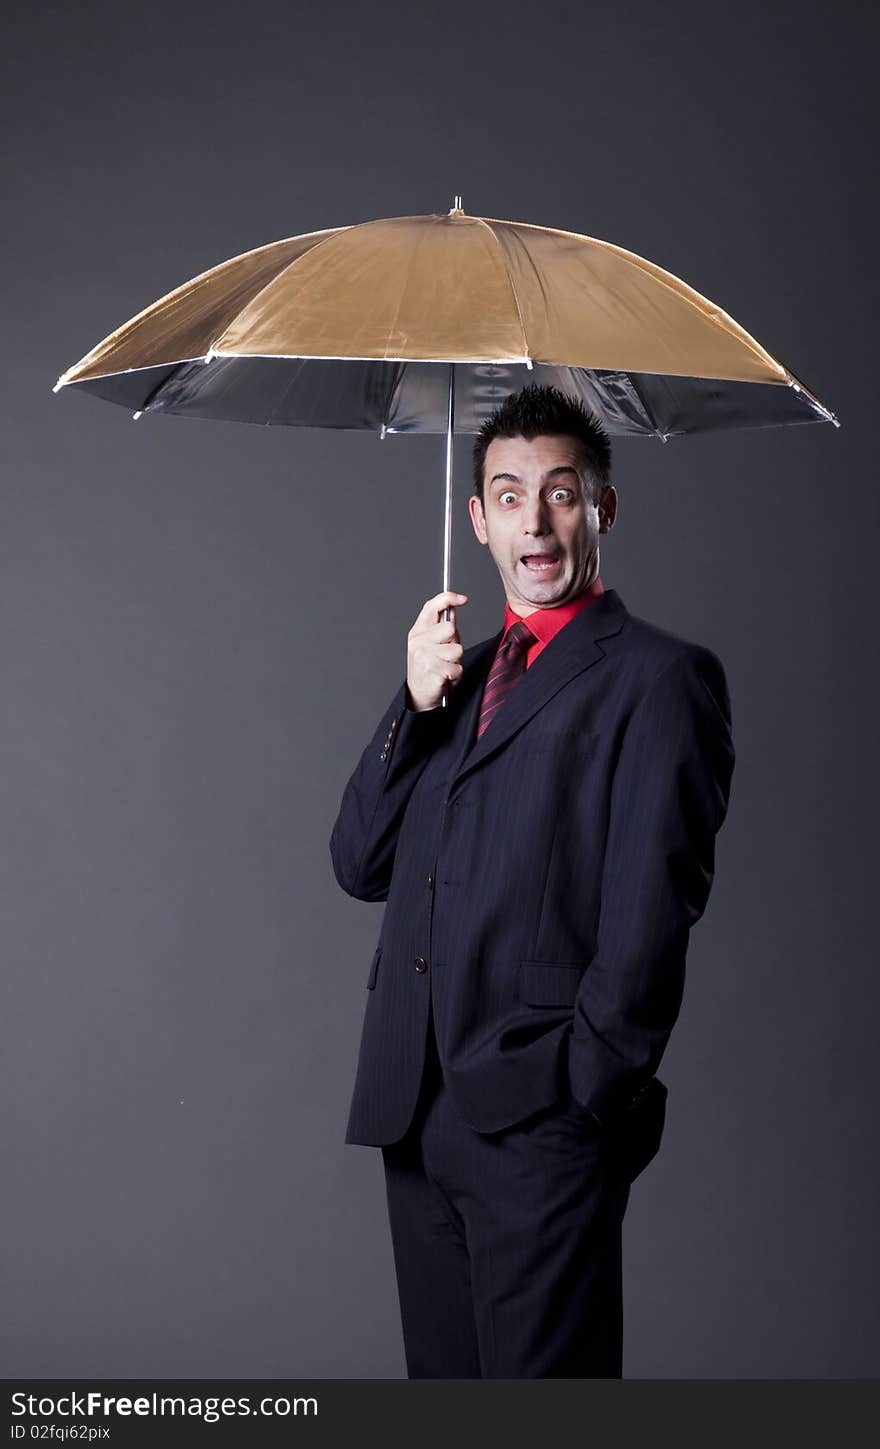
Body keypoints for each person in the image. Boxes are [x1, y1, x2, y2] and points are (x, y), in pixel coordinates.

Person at [329, 383, 735, 1378]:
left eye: (562, 493)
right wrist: (412, 703)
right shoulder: (450, 679)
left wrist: (581, 1102)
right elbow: (358, 864)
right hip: (415, 1118)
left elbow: (650, 915)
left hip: (542, 1121)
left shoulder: (658, 680)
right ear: (477, 519)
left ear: (602, 506)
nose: (536, 522)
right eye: (509, 497)